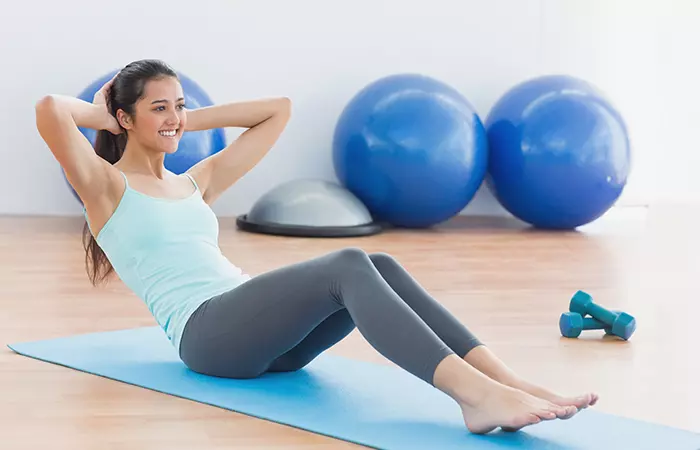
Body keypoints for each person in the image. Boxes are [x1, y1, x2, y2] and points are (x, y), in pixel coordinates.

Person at [35, 59, 597, 435]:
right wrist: (113, 115)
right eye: (159, 107)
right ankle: (473, 396)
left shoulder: (192, 182)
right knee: (348, 264)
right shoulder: (106, 186)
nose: (175, 116)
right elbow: (50, 110)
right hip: (208, 338)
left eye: (178, 105)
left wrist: (178, 120)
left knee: (380, 263)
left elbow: (277, 109)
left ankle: (507, 382)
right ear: (124, 117)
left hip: (266, 340)